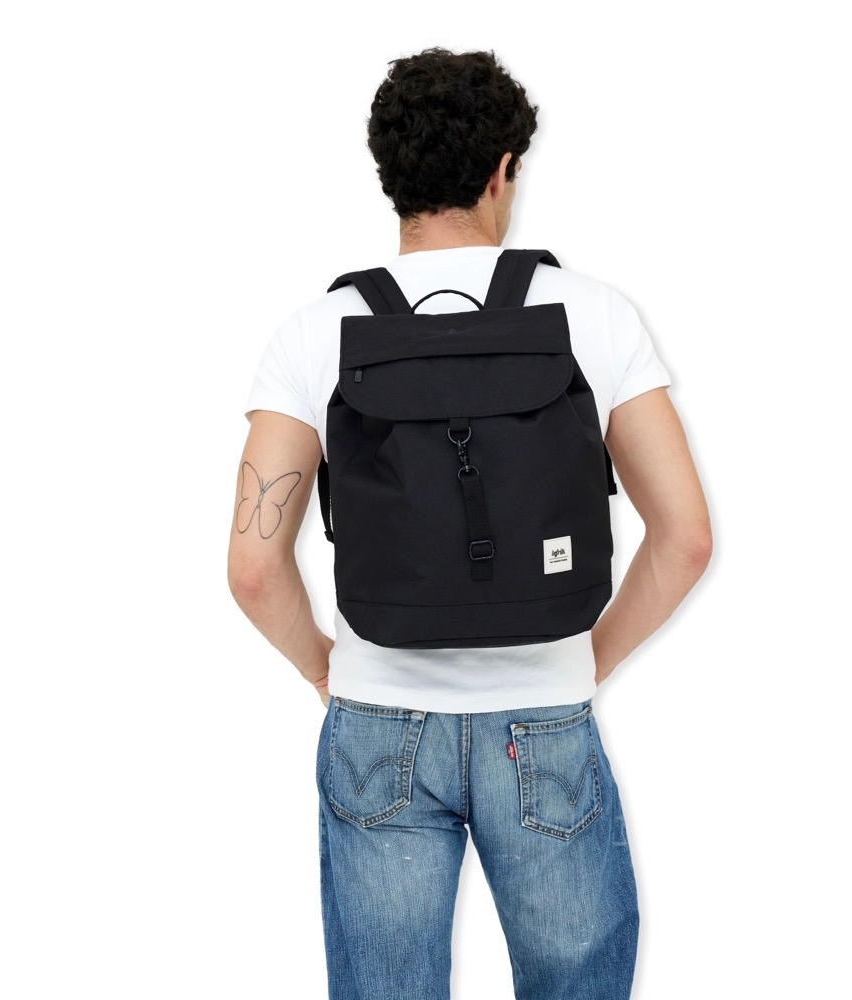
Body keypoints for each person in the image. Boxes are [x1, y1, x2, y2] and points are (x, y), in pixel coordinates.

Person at [228, 47, 711, 1000]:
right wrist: (588, 662)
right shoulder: (595, 316)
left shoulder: (314, 332)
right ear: (501, 170)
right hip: (546, 719)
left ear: (389, 174)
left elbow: (252, 565)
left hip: (375, 720)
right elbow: (685, 536)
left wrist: (326, 669)